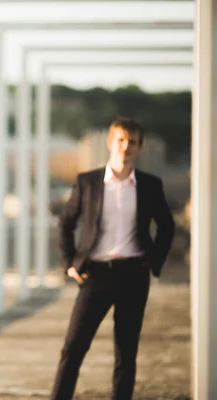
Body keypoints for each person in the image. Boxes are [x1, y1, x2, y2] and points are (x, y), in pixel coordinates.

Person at [50, 117, 175, 400]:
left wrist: (154, 260)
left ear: (140, 147)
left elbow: (166, 226)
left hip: (134, 273)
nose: (125, 146)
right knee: (73, 347)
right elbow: (66, 222)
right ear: (110, 143)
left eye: (132, 142)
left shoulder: (150, 185)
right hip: (96, 274)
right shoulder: (88, 182)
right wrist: (69, 264)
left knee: (126, 352)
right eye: (120, 140)